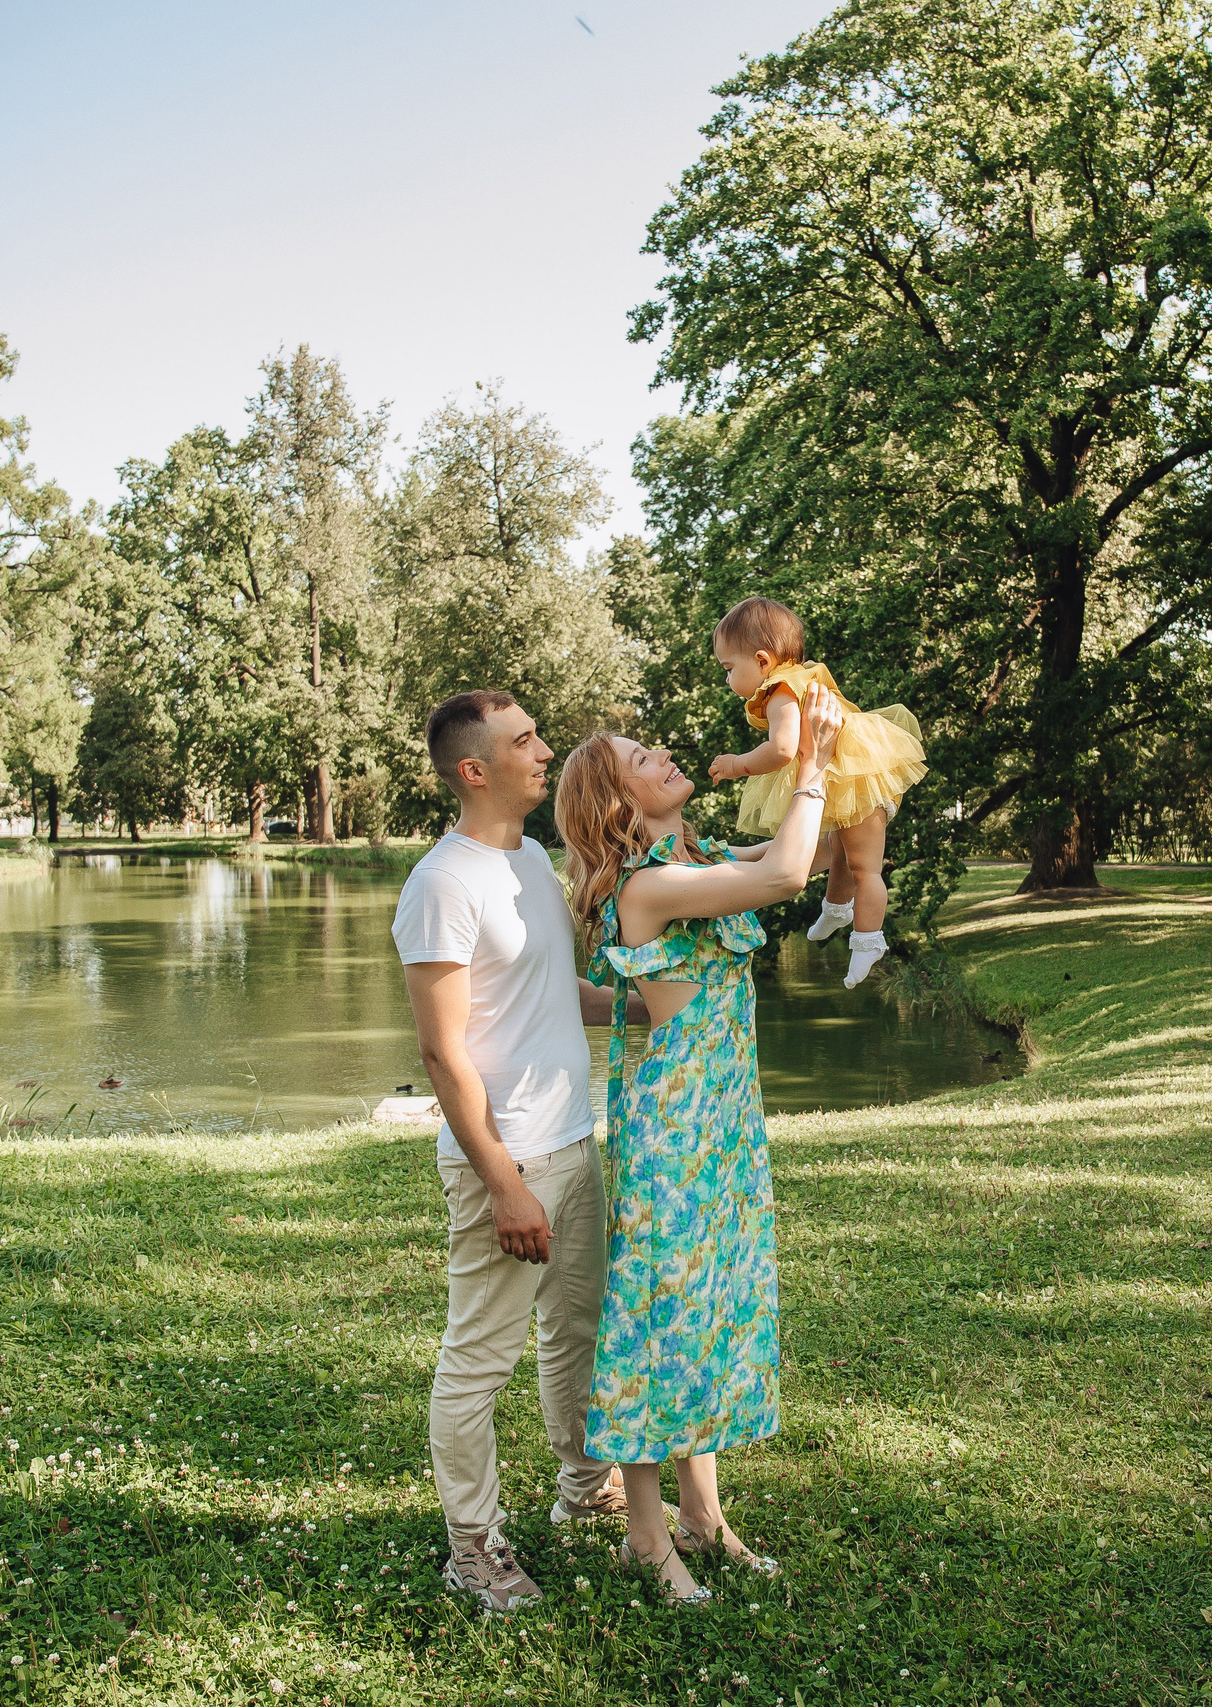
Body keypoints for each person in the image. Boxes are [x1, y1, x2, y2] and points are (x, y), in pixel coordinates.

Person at [553, 681, 847, 1605]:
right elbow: (783, 878)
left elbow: (803, 850)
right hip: (674, 1123)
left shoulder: (700, 853)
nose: (664, 755)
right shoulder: (650, 888)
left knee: (709, 1310)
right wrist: (812, 771)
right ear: (620, 804)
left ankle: (704, 1517)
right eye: (643, 760)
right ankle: (646, 1538)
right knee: (657, 1319)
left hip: (722, 1116)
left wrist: (837, 770)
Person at [394, 688, 653, 1613]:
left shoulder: (535, 861)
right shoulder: (441, 884)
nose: (546, 750)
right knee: (478, 1357)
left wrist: (644, 1011)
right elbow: (442, 1051)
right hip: (505, 1163)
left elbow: (557, 992)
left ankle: (583, 1487)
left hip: (573, 1145)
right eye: (525, 741)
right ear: (476, 770)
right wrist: (503, 1182)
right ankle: (473, 1548)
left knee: (576, 1333)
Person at [706, 595, 926, 987]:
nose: (726, 681)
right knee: (839, 848)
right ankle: (837, 908)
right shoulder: (797, 678)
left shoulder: (781, 691)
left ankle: (868, 941)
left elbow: (782, 749)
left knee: (865, 868)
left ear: (761, 660)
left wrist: (736, 764)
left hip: (857, 777)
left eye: (728, 669)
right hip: (846, 775)